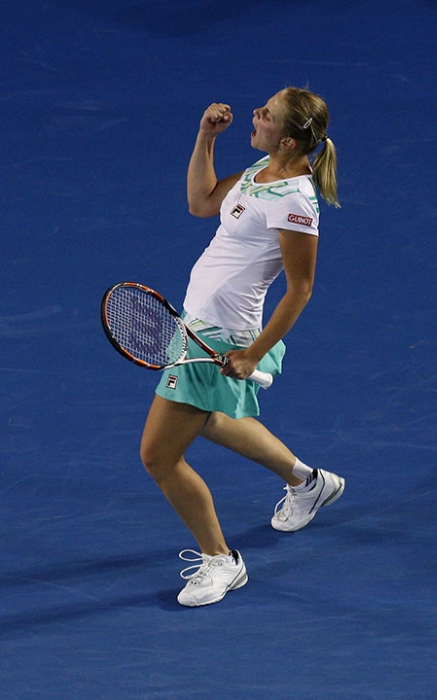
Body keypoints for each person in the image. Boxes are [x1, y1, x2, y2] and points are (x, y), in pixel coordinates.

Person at [140, 87, 344, 607]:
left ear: (292, 140)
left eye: (266, 115)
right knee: (206, 419)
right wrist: (206, 138)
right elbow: (201, 202)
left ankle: (221, 561)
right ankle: (307, 482)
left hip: (224, 331)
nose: (255, 115)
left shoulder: (296, 202)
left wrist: (254, 352)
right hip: (197, 322)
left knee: (159, 456)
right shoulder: (259, 170)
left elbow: (301, 288)